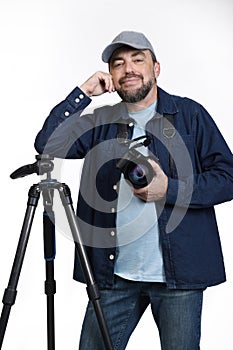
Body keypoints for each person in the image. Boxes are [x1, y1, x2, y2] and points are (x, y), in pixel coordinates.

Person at [35, 31, 233, 349]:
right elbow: (47, 143)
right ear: (111, 76)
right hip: (114, 275)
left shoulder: (190, 115)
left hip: (178, 277)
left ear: (156, 68)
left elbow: (228, 177)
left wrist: (170, 188)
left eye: (138, 59)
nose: (128, 68)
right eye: (118, 63)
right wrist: (82, 93)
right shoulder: (101, 121)